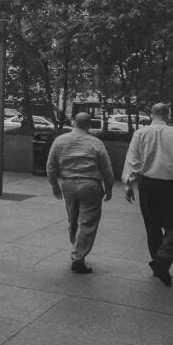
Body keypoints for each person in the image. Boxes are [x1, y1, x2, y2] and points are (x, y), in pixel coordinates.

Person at [122, 102, 173, 286]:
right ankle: (162, 259)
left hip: (147, 186)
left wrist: (128, 185)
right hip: (172, 186)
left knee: (152, 226)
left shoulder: (139, 134)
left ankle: (158, 263)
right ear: (167, 114)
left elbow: (132, 160)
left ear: (151, 114)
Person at [45, 112, 114, 273]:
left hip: (68, 184)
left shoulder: (59, 140)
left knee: (73, 218)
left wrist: (54, 185)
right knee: (88, 222)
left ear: (73, 123)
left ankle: (75, 247)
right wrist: (109, 187)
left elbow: (51, 166)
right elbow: (107, 168)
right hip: (90, 185)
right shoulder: (96, 143)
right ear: (88, 125)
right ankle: (78, 256)